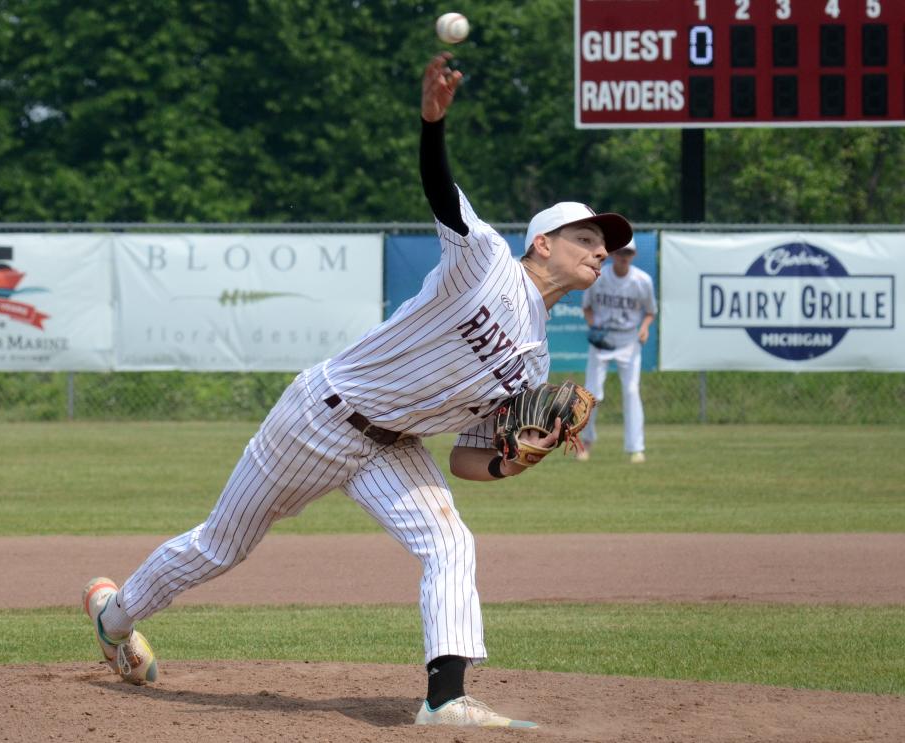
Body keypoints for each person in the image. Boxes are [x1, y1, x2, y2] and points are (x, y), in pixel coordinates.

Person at [82, 53, 633, 729]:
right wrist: (433, 123)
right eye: (588, 237)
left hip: (391, 449)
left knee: (450, 542)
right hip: (322, 414)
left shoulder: (534, 365)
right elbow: (440, 191)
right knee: (221, 546)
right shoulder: (487, 260)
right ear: (541, 243)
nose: (601, 250)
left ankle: (445, 698)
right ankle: (114, 616)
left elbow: (467, 458)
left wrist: (519, 456)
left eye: (606, 246)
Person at [577, 240, 657, 464]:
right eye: (620, 251)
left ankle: (636, 448)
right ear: (612, 253)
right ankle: (585, 442)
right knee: (592, 394)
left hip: (628, 340)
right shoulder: (599, 278)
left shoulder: (642, 281)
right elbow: (587, 307)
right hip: (603, 340)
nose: (624, 256)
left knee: (631, 392)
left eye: (628, 252)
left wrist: (644, 328)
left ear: (634, 254)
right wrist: (593, 326)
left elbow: (650, 312)